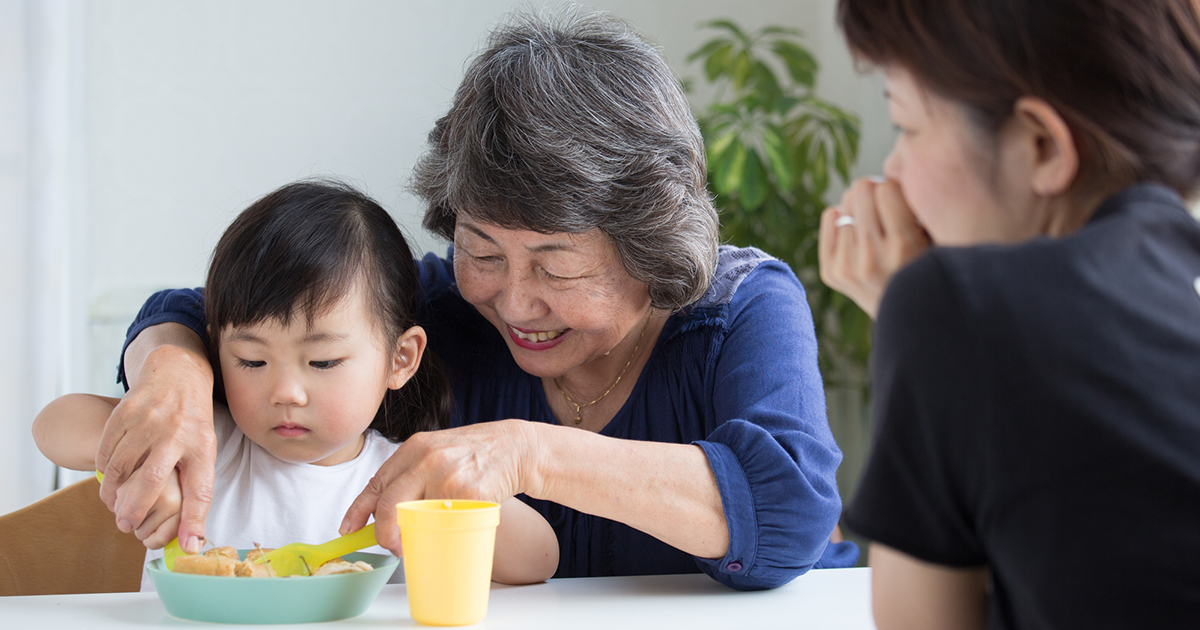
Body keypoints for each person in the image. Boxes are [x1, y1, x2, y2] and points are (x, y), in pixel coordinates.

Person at [92, 11, 858, 591]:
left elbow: (789, 511)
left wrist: (528, 453)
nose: (513, 300)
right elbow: (214, 309)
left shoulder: (741, 309)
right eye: (482, 250)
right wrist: (176, 373)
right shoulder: (444, 310)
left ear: (647, 245)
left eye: (555, 265)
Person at [818, 0, 1200, 627]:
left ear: (1042, 145)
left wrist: (912, 317)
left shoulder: (953, 307)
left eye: (907, 127)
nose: (892, 169)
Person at [33, 181, 559, 588]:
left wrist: (445, 500)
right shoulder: (203, 444)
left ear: (400, 359)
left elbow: (539, 558)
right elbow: (50, 427)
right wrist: (150, 462)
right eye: (251, 361)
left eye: (323, 362)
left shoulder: (398, 476)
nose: (286, 391)